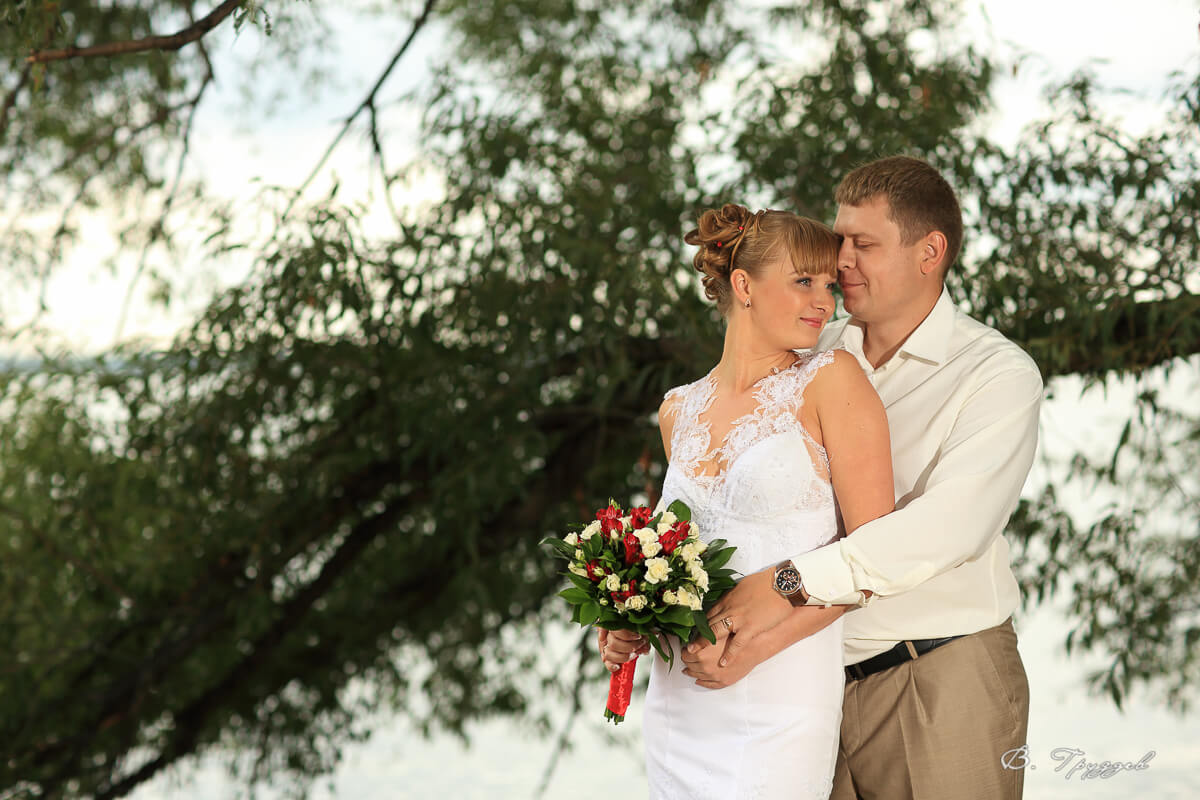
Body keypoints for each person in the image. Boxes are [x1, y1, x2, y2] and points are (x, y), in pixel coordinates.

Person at [684, 156, 1043, 799]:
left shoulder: (995, 373)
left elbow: (948, 529)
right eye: (839, 238)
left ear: (930, 251)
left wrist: (788, 584)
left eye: (864, 244)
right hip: (801, 689)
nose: (840, 260)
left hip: (935, 677)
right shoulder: (809, 352)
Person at [599, 204, 895, 799]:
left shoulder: (832, 380)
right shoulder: (676, 409)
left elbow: (876, 555)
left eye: (830, 286)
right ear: (743, 285)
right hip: (679, 698)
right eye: (804, 281)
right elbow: (673, 555)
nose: (825, 303)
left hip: (779, 692)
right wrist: (626, 620)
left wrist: (757, 648)